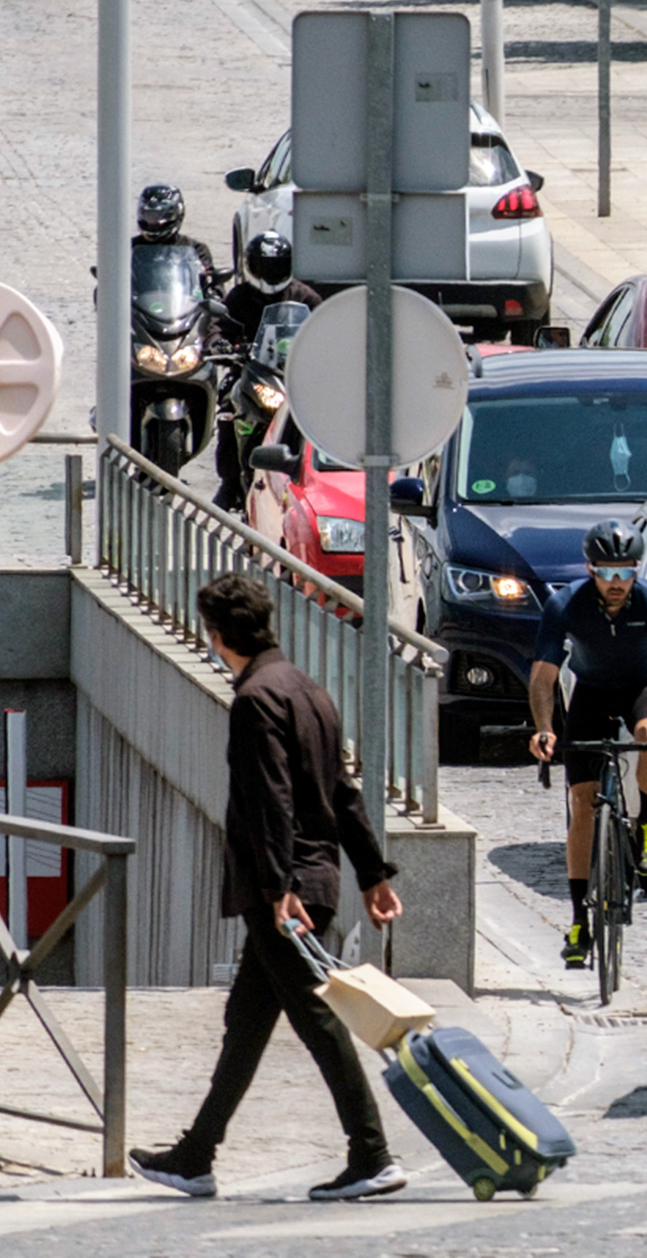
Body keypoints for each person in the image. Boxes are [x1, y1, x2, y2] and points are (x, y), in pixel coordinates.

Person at [128, 574, 407, 1202]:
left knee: (317, 1018)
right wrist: (372, 874)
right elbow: (343, 792)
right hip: (314, 878)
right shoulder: (308, 690)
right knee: (247, 1020)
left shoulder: (256, 699)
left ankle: (372, 1154)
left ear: (217, 634)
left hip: (285, 891)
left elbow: (270, 798)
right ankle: (195, 1156)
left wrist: (280, 886)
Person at [527, 520, 647, 968]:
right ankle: (579, 920)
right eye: (607, 573)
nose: (617, 582)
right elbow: (543, 676)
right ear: (590, 570)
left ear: (637, 571)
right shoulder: (565, 604)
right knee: (582, 804)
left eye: (626, 572)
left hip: (641, 688)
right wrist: (544, 729)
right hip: (592, 692)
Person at [213, 232, 323, 510]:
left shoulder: (304, 296)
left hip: (296, 375)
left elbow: (325, 325)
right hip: (252, 370)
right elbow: (220, 324)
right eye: (264, 266)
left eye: (276, 265)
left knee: (325, 414)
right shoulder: (239, 296)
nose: (270, 272)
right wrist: (220, 343)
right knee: (227, 405)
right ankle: (229, 481)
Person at [132, 183, 216, 275]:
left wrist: (209, 278)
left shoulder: (196, 249)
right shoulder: (128, 248)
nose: (153, 221)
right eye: (148, 215)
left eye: (158, 215)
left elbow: (208, 277)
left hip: (178, 285)